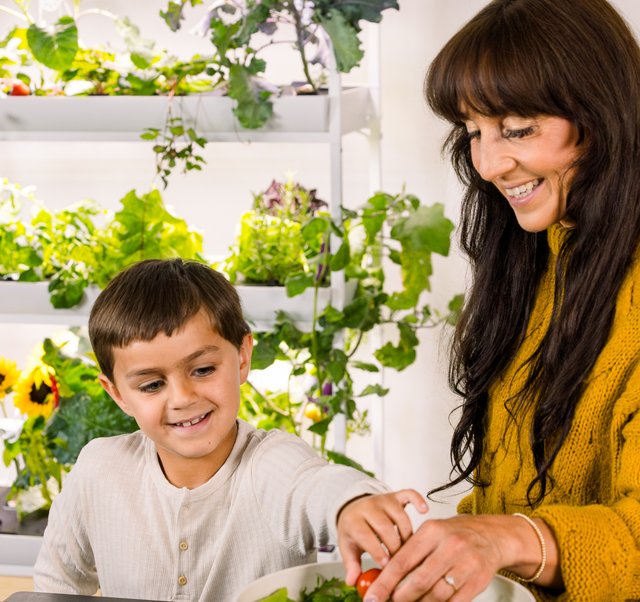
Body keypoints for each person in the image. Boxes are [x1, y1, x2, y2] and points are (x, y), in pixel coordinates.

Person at [340, 0, 640, 601]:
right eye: (474, 132)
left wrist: (503, 539)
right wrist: (443, 543)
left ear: (602, 114)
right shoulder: (538, 257)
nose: (489, 163)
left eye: (519, 129)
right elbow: (515, 497)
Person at [33, 258, 427, 602]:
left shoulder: (272, 462)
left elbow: (317, 486)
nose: (183, 397)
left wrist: (352, 504)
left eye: (203, 370)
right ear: (118, 394)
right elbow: (56, 583)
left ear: (242, 357)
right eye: (152, 385)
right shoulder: (98, 469)